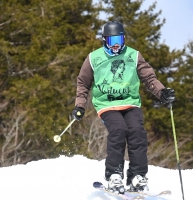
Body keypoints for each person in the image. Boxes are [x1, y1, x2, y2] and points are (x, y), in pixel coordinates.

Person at [72, 21, 175, 193]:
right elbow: (83, 83)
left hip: (130, 102)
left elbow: (149, 78)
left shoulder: (133, 55)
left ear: (124, 38)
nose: (116, 45)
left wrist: (162, 92)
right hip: (107, 104)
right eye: (112, 41)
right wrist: (80, 105)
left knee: (137, 133)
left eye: (119, 39)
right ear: (105, 40)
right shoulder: (94, 58)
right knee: (118, 131)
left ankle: (137, 176)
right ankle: (114, 174)